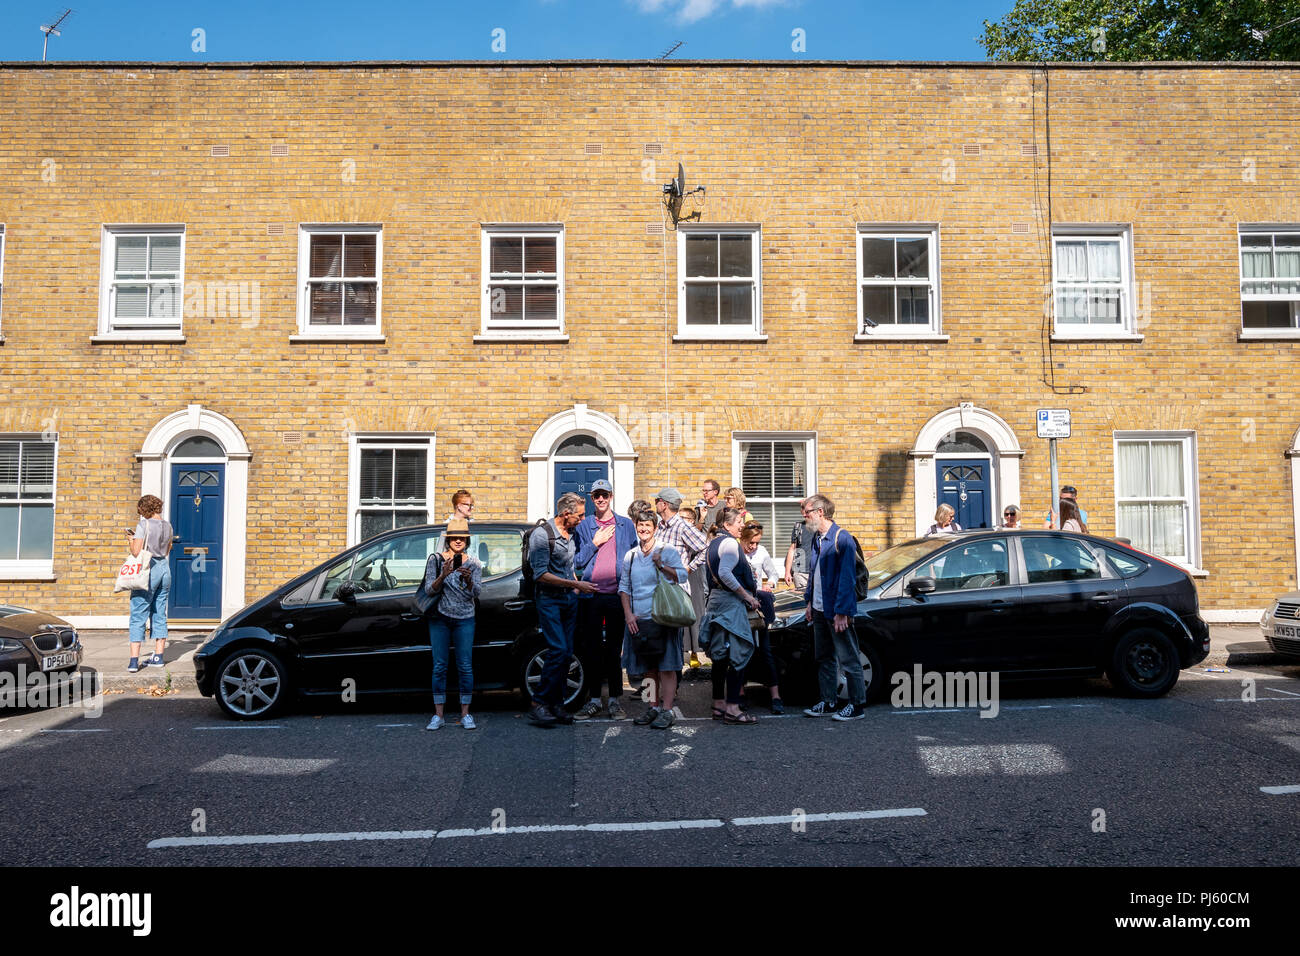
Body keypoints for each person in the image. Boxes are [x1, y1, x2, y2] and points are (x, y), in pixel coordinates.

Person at [527, 492, 599, 726]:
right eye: (579, 515)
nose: (582, 518)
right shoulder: (542, 535)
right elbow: (541, 575)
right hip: (549, 600)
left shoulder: (572, 533)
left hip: (569, 600)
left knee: (567, 652)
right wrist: (575, 584)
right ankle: (538, 703)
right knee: (557, 649)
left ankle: (555, 704)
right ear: (566, 514)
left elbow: (569, 566)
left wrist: (575, 587)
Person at [571, 479, 637, 721]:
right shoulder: (584, 526)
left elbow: (633, 558)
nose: (600, 499)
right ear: (591, 498)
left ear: (611, 496)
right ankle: (594, 700)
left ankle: (615, 701)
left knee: (613, 650)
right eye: (596, 496)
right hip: (591, 596)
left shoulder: (626, 525)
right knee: (591, 650)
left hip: (617, 595)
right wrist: (594, 543)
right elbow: (577, 562)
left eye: (604, 495)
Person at [800, 494, 869, 721]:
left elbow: (847, 579)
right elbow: (814, 574)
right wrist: (810, 602)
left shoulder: (843, 538)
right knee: (824, 657)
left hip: (836, 611)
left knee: (848, 658)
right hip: (819, 609)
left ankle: (857, 706)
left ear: (820, 512)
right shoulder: (817, 539)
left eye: (807, 511)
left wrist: (843, 612)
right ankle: (828, 701)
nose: (804, 515)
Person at [619, 511, 690, 729]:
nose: (644, 529)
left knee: (667, 667)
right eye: (640, 525)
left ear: (655, 527)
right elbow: (624, 588)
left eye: (648, 525)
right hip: (640, 619)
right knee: (648, 668)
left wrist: (661, 565)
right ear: (636, 526)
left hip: (664, 616)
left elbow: (683, 575)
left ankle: (667, 710)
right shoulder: (630, 555)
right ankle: (653, 707)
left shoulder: (665, 550)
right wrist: (628, 614)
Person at [698, 507, 763, 725]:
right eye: (738, 522)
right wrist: (747, 596)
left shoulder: (713, 543)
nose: (741, 526)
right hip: (729, 604)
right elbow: (725, 573)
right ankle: (733, 708)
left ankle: (718, 704)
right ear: (727, 525)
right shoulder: (729, 544)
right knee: (738, 653)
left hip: (716, 602)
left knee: (720, 656)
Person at [421, 518, 482, 730]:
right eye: (453, 537)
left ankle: (466, 714)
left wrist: (468, 581)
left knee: (465, 666)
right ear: (448, 540)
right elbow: (430, 590)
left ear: (466, 540)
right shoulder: (436, 560)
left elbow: (477, 593)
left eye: (461, 538)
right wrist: (443, 575)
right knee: (439, 666)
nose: (457, 541)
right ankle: (438, 715)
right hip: (440, 618)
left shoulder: (473, 562)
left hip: (465, 618)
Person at [655, 488, 710, 669]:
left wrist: (688, 568)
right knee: (660, 640)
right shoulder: (660, 525)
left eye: (657, 501)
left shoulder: (682, 526)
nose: (655, 503)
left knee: (672, 640)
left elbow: (705, 548)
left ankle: (673, 686)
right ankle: (659, 687)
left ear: (664, 504)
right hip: (658, 589)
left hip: (675, 590)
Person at [739, 521, 783, 714]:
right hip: (740, 606)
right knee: (740, 652)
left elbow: (773, 574)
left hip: (759, 607)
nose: (754, 546)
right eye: (751, 543)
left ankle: (775, 696)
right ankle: (739, 694)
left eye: (757, 542)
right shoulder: (735, 552)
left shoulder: (762, 552)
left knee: (765, 651)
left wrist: (770, 584)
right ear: (743, 539)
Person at [126, 495, 173, 673]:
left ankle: (133, 661)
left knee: (138, 612)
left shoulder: (143, 525)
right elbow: (168, 549)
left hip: (148, 569)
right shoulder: (168, 526)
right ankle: (159, 657)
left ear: (144, 509)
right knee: (159, 611)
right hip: (164, 569)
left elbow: (137, 552)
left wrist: (130, 540)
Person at [677, 506, 706, 668]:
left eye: (683, 518)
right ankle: (683, 651)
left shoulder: (695, 534)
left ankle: (695, 651)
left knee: (694, 616)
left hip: (693, 577)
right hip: (679, 579)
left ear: (691, 521)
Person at [785, 498, 816, 590]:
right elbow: (792, 549)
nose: (804, 513)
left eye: (806, 509)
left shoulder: (820, 526)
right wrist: (787, 572)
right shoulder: (798, 527)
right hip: (800, 571)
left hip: (816, 572)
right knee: (803, 601)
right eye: (802, 508)